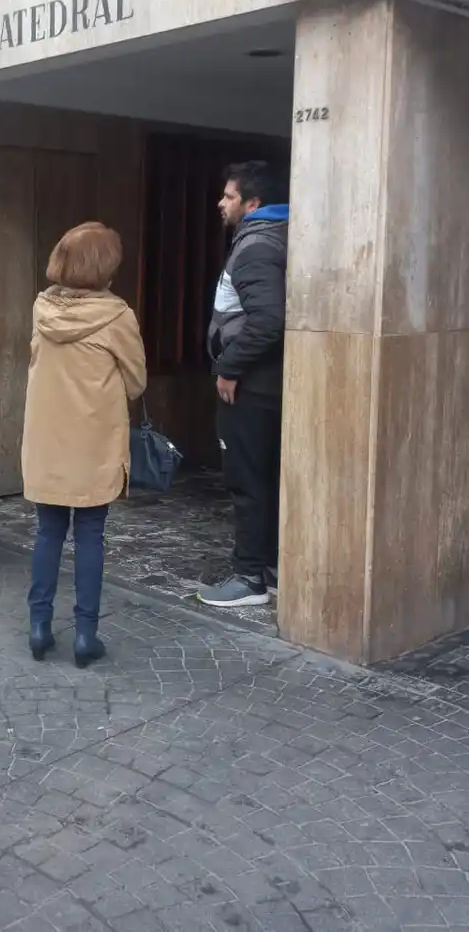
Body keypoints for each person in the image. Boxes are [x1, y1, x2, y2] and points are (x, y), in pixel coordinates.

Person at [21, 222, 147, 669]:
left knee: (48, 532)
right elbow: (137, 382)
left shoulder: (41, 309)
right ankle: (85, 636)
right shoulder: (118, 317)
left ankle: (39, 627)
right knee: (91, 534)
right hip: (93, 443)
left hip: (47, 439)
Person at [197, 161, 289, 608]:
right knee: (264, 477)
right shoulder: (275, 236)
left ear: (252, 204)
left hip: (251, 387)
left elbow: (268, 320)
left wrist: (229, 367)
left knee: (247, 478)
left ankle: (249, 576)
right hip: (264, 383)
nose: (221, 203)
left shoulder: (255, 247)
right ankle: (269, 568)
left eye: (229, 196)